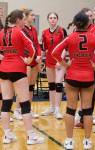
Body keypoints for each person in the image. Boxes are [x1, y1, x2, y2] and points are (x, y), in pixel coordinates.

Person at [52, 11, 95, 150]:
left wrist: (66, 65)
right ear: (88, 23)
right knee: (87, 110)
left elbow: (54, 52)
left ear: (75, 23)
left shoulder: (70, 38)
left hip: (72, 77)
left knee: (70, 110)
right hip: (88, 77)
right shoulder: (94, 37)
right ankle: (87, 141)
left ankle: (69, 141)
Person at [0, 9, 44, 144]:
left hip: (3, 69)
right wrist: (30, 60)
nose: (24, 23)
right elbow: (33, 49)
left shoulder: (1, 32)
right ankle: (31, 136)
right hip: (18, 69)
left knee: (6, 102)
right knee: (25, 103)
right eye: (23, 20)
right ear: (18, 20)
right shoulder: (20, 32)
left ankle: (7, 135)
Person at [13, 8, 41, 120]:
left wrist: (39, 55)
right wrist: (28, 57)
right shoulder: (21, 29)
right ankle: (17, 110)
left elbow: (37, 44)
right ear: (26, 17)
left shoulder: (34, 29)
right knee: (23, 87)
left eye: (34, 15)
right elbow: (23, 46)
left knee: (30, 87)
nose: (33, 17)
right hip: (26, 60)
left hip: (34, 60)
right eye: (32, 15)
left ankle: (28, 109)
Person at [41, 12, 67, 119]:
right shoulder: (44, 32)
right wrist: (41, 61)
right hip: (49, 61)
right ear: (48, 20)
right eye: (50, 18)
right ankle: (51, 107)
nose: (52, 19)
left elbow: (66, 47)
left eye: (54, 18)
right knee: (51, 85)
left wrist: (60, 61)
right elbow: (44, 49)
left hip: (59, 61)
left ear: (57, 19)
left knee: (58, 84)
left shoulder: (62, 30)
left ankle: (57, 109)